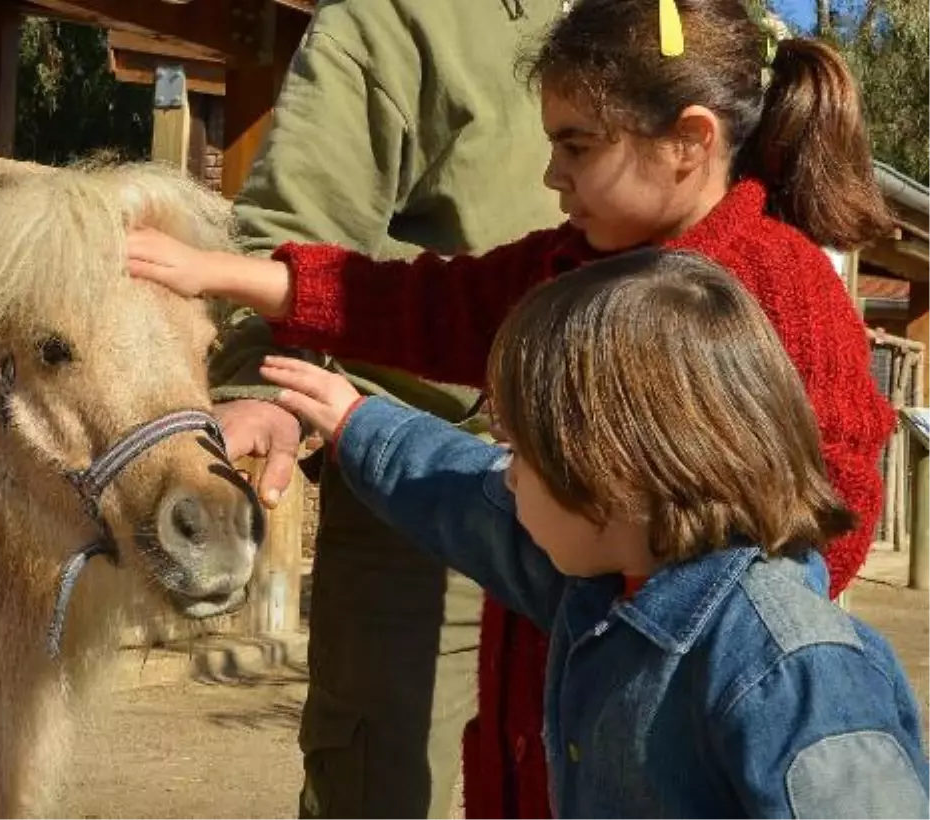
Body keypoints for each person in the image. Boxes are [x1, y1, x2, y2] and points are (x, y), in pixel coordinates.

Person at [125, 1, 897, 816]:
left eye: (576, 146)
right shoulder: (568, 265)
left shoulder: (779, 292)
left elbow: (834, 494)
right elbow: (416, 304)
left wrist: (654, 587)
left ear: (689, 141)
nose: (551, 176)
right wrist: (220, 274)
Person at [259, 248, 930, 818]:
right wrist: (355, 423)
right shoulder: (607, 578)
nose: (508, 477)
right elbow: (465, 496)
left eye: (518, 453)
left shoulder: (793, 670)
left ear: (608, 469)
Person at [202, 1, 562, 818]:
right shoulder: (396, 17)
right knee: (393, 790)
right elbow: (292, 230)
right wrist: (263, 388)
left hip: (636, 518)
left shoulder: (665, 18)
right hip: (429, 504)